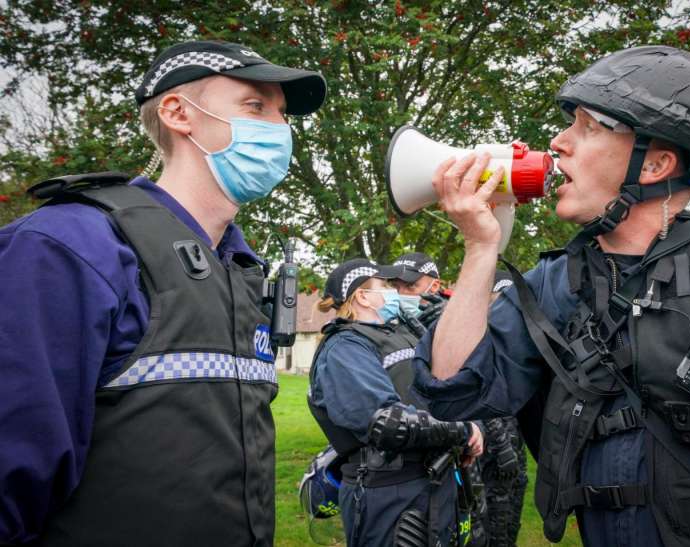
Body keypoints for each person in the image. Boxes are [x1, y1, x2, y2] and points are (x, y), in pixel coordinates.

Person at [412, 45, 690, 547]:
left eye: (588, 126)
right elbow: (452, 391)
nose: (557, 143)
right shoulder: (555, 280)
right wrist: (481, 246)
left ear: (656, 163)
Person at [0, 40, 326, 546]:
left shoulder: (241, 269)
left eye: (283, 115)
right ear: (178, 112)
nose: (279, 130)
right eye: (255, 105)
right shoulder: (73, 245)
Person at [307, 258, 484, 546]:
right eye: (386, 285)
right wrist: (462, 431)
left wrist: (472, 425)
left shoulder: (402, 332)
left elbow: (448, 387)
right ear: (363, 296)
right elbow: (386, 423)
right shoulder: (344, 347)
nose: (394, 291)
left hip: (436, 483)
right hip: (389, 492)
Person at [473, 271, 529, 547]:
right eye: (500, 299)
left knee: (510, 522)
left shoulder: (515, 340)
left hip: (514, 446)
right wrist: (502, 446)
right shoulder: (478, 339)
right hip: (489, 451)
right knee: (490, 522)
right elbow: (483, 400)